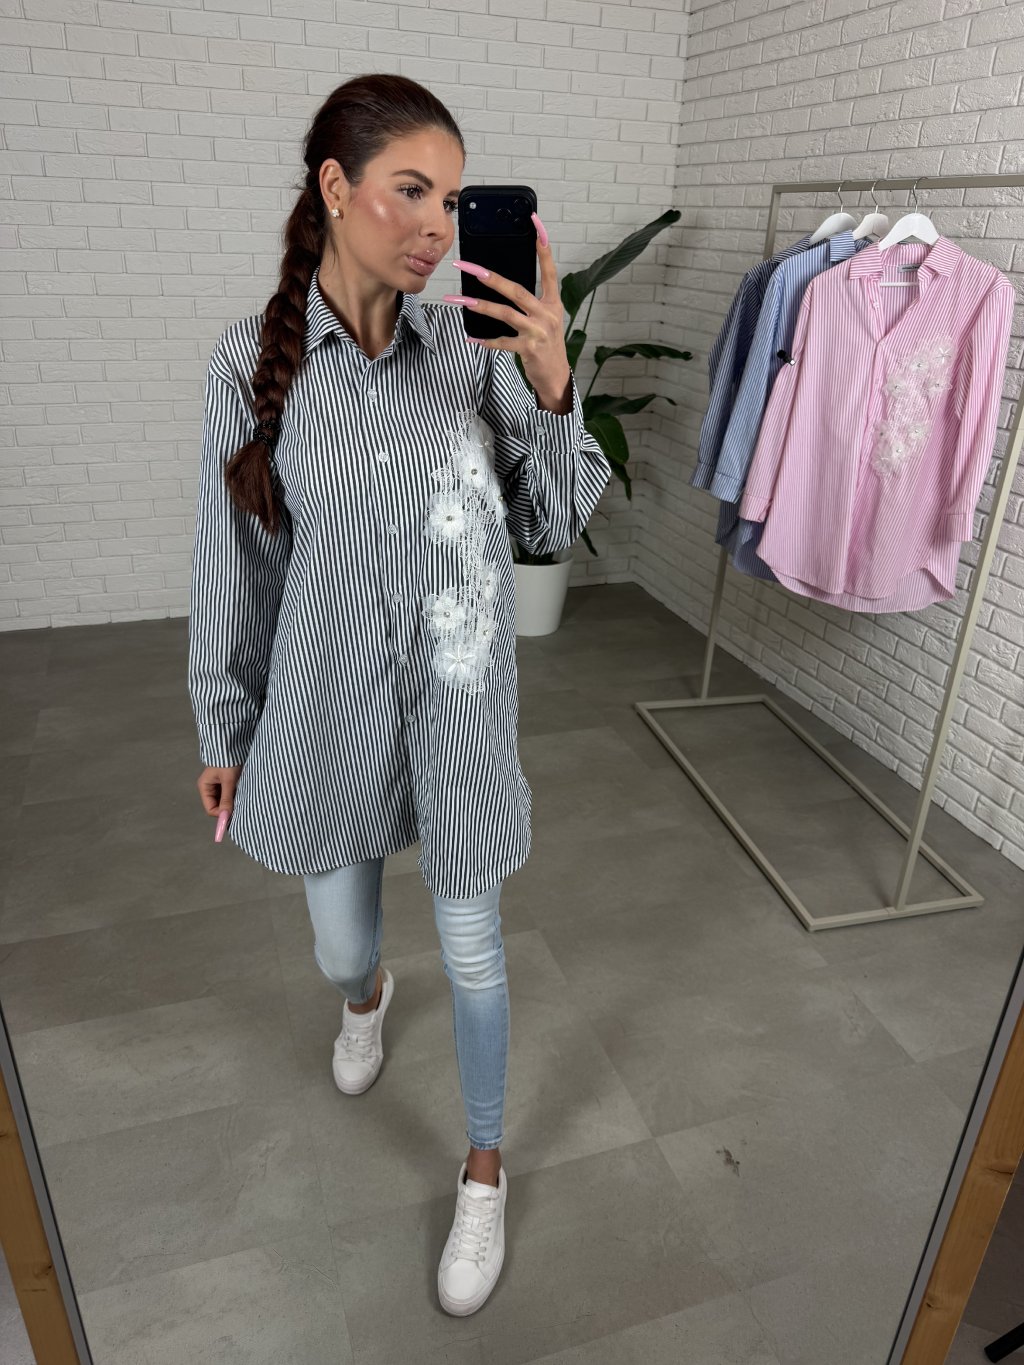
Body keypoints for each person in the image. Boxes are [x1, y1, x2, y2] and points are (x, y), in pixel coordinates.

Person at [187, 73, 610, 1317]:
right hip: (326, 707)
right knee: (342, 946)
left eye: (453, 200)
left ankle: (482, 1170)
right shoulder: (247, 364)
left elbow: (553, 523)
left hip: (460, 701)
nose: (436, 226)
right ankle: (367, 1001)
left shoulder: (472, 350)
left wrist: (551, 382)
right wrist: (224, 723)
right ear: (335, 187)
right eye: (410, 191)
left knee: (476, 949)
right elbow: (233, 564)